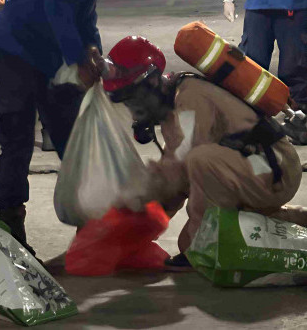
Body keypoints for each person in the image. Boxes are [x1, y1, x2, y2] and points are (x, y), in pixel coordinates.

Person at [0, 0, 144, 254]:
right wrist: (77, 58)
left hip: (50, 54)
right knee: (18, 140)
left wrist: (95, 54)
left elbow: (84, 12)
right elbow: (57, 5)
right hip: (17, 53)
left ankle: (93, 222)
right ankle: (10, 228)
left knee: (72, 136)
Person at [103, 36, 307, 270]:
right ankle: (300, 219)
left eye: (133, 98)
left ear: (151, 83)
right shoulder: (171, 108)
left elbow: (180, 168)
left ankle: (207, 243)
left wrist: (135, 200)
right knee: (187, 241)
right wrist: (140, 230)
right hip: (257, 167)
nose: (133, 109)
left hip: (274, 168)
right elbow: (177, 180)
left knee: (200, 165)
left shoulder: (189, 97)